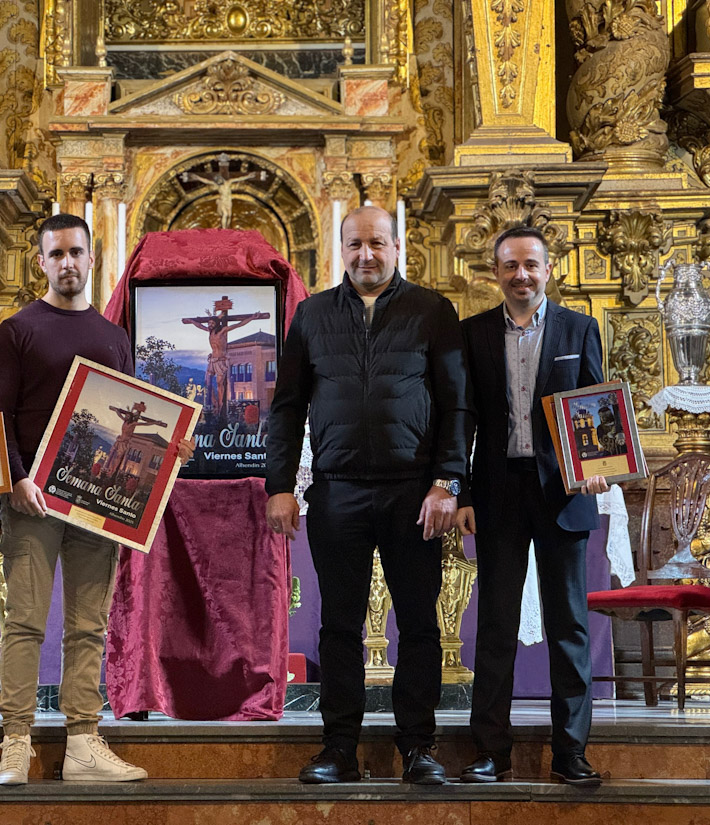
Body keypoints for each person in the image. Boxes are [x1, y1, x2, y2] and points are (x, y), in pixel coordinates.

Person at [0, 213, 192, 785]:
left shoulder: (112, 338)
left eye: (77, 253)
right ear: (42, 262)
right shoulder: (17, 330)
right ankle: (16, 744)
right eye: (57, 255)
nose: (68, 264)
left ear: (92, 258)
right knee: (24, 622)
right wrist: (19, 479)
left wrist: (171, 445)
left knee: (88, 626)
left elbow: (137, 412)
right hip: (32, 501)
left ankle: (82, 742)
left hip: (99, 504)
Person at [265, 205, 471, 785]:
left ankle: (418, 748)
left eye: (376, 244)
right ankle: (338, 750)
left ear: (397, 247)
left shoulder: (432, 311)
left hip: (414, 494)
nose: (365, 255)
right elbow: (286, 410)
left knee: (419, 625)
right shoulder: (310, 316)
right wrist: (279, 486)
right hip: (337, 492)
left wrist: (447, 482)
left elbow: (458, 407)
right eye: (354, 245)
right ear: (341, 249)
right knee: (338, 627)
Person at [456, 225, 608, 787]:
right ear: (495, 272)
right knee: (495, 624)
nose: (521, 275)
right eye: (510, 266)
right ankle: (491, 750)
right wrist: (463, 493)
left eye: (531, 265)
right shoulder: (470, 334)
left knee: (568, 625)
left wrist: (597, 468)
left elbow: (595, 404)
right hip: (497, 493)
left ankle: (571, 752)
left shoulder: (580, 328)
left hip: (562, 492)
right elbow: (462, 419)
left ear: (549, 270)